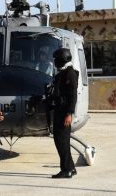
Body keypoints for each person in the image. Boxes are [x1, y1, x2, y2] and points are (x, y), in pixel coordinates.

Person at [51, 48, 79, 179]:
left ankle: (66, 169)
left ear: (62, 59)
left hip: (64, 113)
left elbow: (73, 95)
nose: (55, 61)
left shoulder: (70, 73)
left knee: (61, 141)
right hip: (59, 110)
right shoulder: (62, 73)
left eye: (57, 59)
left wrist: (69, 113)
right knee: (63, 141)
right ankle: (71, 168)